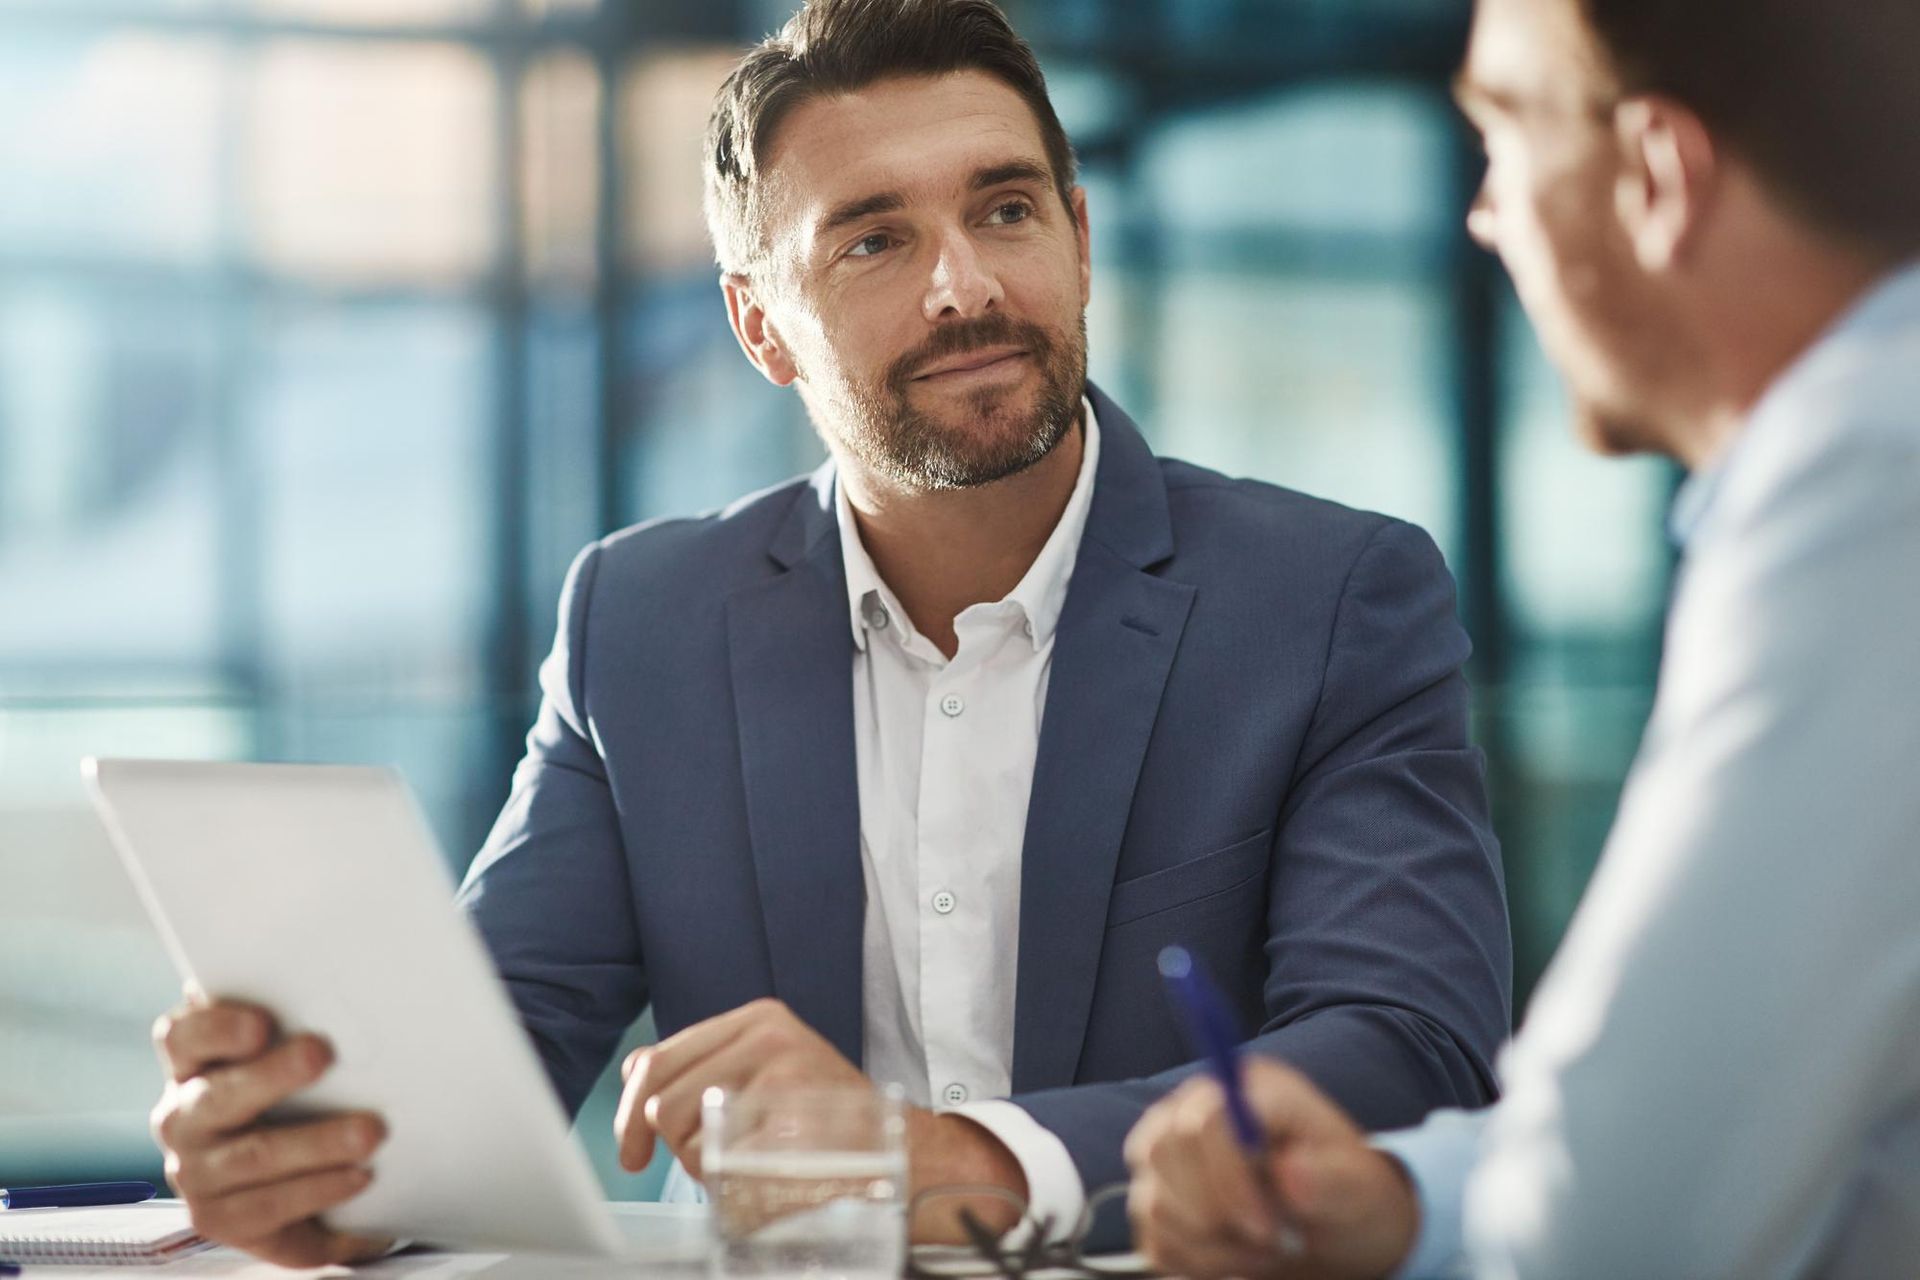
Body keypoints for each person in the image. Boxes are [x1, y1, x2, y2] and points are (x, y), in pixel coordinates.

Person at [143, 0, 1515, 1267]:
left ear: (1080, 240)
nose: (963, 288)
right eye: (874, 238)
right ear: (759, 326)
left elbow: (1408, 1045)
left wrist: (946, 1161)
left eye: (1006, 209)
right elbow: (490, 1057)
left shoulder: (1331, 597)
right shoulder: (645, 620)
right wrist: (321, 1148)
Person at [1121, 0, 1920, 1275]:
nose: (1483, 217)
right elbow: (1734, 1122)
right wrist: (1396, 1197)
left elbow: (1617, 1223)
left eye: (1504, 134)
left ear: (1660, 174)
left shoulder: (1869, 478)